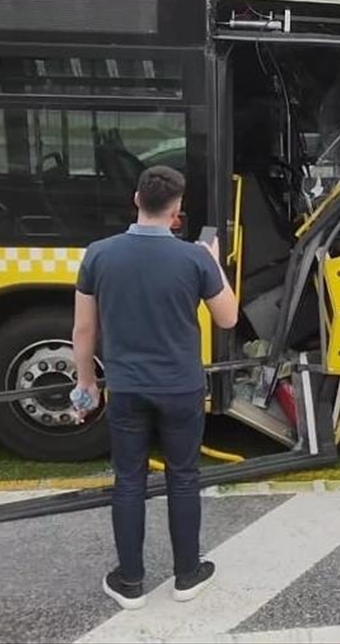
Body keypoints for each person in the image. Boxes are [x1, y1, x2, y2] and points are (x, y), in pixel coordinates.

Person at [72, 165, 239, 610]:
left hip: (126, 388)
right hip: (181, 388)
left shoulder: (98, 255)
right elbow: (228, 317)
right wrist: (213, 261)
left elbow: (84, 330)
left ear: (136, 200)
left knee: (128, 480)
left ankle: (130, 582)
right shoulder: (194, 259)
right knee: (183, 477)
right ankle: (187, 575)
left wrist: (86, 383)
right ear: (176, 210)